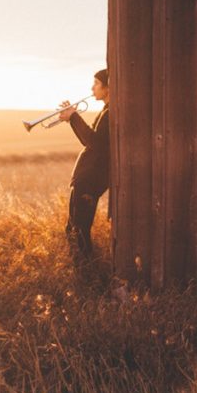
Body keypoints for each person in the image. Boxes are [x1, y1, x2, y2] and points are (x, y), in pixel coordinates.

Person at [58, 68, 110, 270]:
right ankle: (83, 271)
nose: (92, 87)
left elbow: (94, 142)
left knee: (78, 231)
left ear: (108, 87)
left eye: (96, 83)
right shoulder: (105, 112)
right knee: (73, 229)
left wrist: (74, 117)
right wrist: (71, 119)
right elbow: (87, 141)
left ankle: (88, 274)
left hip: (90, 180)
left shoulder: (110, 113)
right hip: (86, 179)